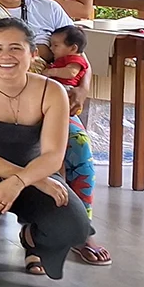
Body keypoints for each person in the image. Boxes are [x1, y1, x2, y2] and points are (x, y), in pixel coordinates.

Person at [0, 17, 91, 287]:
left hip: (36, 171)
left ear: (33, 54)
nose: (5, 56)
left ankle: (32, 238)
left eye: (15, 48)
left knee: (75, 224)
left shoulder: (52, 91)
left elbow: (53, 155)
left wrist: (22, 180)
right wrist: (25, 179)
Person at [45, 24, 107, 265]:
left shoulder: (52, 12)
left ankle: (82, 228)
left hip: (59, 101)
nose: (52, 47)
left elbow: (82, 61)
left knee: (79, 145)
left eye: (55, 45)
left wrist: (83, 88)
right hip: (8, 99)